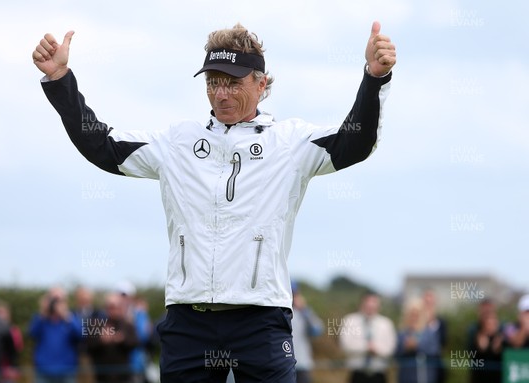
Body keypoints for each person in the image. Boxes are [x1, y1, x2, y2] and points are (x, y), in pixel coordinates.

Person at [32, 21, 396, 383]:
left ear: (261, 84)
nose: (221, 93)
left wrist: (375, 77)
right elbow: (103, 147)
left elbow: (356, 142)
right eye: (213, 82)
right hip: (188, 321)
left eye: (233, 82)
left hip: (261, 319)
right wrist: (61, 79)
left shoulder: (291, 143)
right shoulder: (176, 142)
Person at [339, 292, 397, 383]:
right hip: (357, 373)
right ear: (361, 303)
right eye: (367, 302)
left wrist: (376, 349)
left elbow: (390, 348)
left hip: (379, 373)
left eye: (374, 302)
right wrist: (366, 347)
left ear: (379, 305)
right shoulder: (350, 320)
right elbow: (346, 344)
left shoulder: (386, 324)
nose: (370, 305)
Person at [28, 288, 82, 383]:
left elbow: (80, 335)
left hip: (67, 371)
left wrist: (67, 316)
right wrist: (43, 313)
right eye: (54, 300)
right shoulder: (41, 318)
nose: (56, 304)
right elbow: (32, 334)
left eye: (60, 300)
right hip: (44, 371)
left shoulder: (72, 318)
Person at [86, 293, 138, 383]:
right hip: (102, 376)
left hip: (123, 375)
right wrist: (101, 340)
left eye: (116, 307)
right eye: (110, 307)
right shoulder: (96, 325)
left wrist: (122, 340)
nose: (113, 310)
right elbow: (87, 347)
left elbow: (136, 343)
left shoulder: (127, 325)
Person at [396, 299, 441, 383]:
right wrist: (406, 347)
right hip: (406, 376)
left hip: (425, 376)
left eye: (417, 314)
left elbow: (435, 351)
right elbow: (396, 353)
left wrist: (417, 346)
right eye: (411, 315)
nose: (414, 318)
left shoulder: (429, 332)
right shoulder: (402, 333)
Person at [290, 282, 323, 383]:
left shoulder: (304, 312)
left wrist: (304, 309)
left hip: (302, 365)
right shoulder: (278, 312)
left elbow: (317, 330)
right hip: (282, 366)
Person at [468, 310, 503, 383]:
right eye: (489, 323)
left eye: (494, 322)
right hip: (480, 378)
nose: (492, 325)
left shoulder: (500, 338)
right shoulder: (477, 337)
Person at [420, 289, 447, 383]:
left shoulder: (441, 322)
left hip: (435, 365)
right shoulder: (416, 322)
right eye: (426, 302)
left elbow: (443, 343)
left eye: (431, 302)